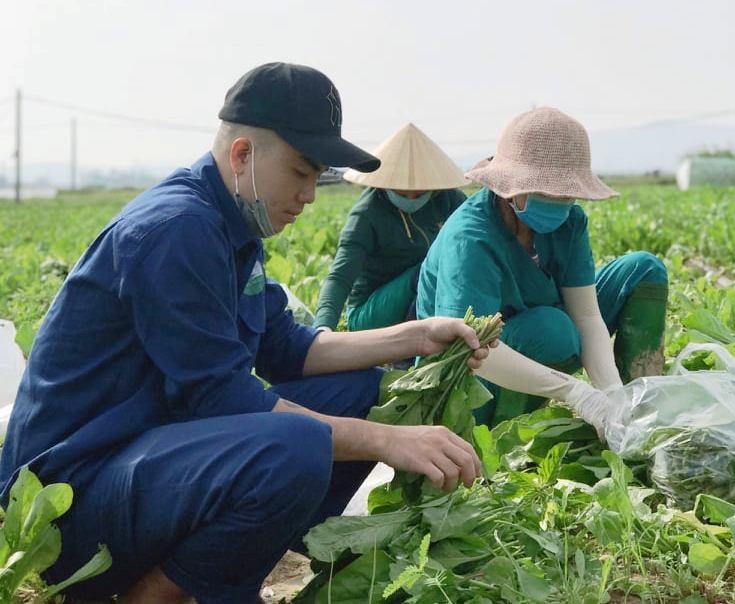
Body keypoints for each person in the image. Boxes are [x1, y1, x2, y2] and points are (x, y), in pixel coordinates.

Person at [0, 63, 488, 603]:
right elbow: (219, 396)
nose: (309, 195)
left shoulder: (230, 224)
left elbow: (285, 349)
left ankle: (231, 562)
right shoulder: (176, 230)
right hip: (68, 503)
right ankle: (159, 595)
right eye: (301, 173)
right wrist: (387, 439)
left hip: (143, 457)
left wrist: (415, 337)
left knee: (358, 390)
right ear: (242, 156)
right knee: (299, 445)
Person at [417, 107, 668, 427]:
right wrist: (575, 392)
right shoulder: (470, 238)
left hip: (538, 333)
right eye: (545, 191)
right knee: (552, 330)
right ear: (510, 189)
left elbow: (588, 316)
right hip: (469, 378)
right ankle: (510, 433)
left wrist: (612, 395)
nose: (558, 202)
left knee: (643, 269)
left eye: (567, 195)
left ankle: (637, 410)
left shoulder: (569, 222)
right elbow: (468, 348)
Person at [313, 123, 468, 332]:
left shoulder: (449, 201)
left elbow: (476, 237)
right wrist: (322, 328)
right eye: (402, 194)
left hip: (430, 298)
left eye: (420, 193)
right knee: (427, 270)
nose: (411, 199)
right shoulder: (367, 214)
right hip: (372, 312)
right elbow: (340, 277)